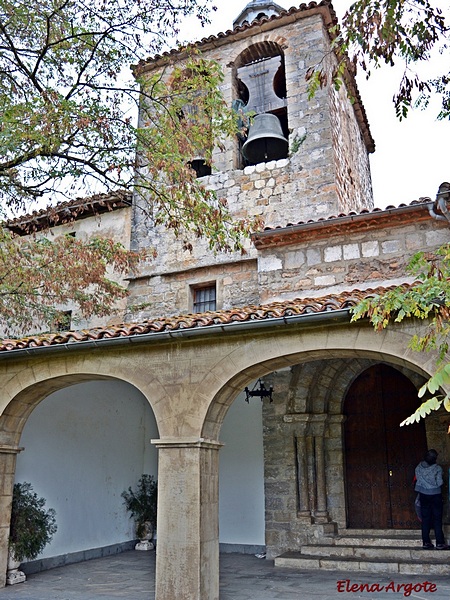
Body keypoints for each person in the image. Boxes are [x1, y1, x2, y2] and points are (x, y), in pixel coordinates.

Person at [415, 449, 448, 550]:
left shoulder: (418, 467)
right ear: (435, 459)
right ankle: (440, 543)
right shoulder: (437, 468)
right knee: (437, 519)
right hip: (435, 495)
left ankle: (426, 542)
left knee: (425, 519)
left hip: (423, 495)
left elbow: (418, 480)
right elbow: (439, 482)